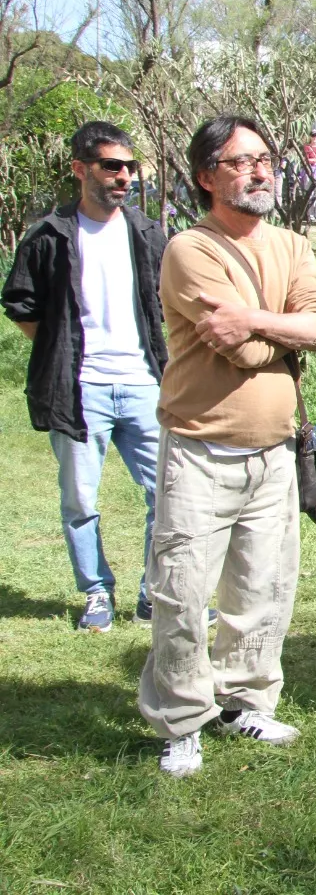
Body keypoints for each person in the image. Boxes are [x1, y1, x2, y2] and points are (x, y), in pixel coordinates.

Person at [138, 115, 316, 777]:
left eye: (266, 158)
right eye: (241, 161)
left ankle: (244, 700)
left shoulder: (291, 247)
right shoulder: (188, 250)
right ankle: (182, 720)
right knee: (181, 590)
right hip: (200, 450)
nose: (260, 170)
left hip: (275, 453)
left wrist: (255, 316)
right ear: (206, 177)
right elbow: (247, 347)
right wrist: (279, 327)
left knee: (263, 586)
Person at [2, 121, 167, 632]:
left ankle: (151, 596)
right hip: (77, 390)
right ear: (80, 169)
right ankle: (96, 592)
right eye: (111, 166)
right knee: (80, 499)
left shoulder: (146, 231)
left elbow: (167, 302)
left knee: (167, 494)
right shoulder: (49, 235)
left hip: (145, 383)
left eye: (129, 167)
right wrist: (61, 351)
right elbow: (21, 305)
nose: (124, 177)